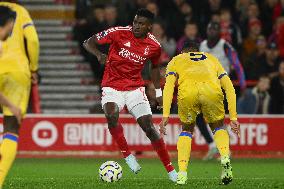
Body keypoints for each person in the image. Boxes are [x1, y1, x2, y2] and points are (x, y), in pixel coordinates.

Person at [83, 8, 177, 181]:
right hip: (112, 86)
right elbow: (88, 42)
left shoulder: (154, 46)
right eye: (135, 22)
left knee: (149, 127)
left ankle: (171, 170)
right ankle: (127, 156)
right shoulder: (118, 33)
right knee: (111, 115)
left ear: (149, 27)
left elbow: (154, 68)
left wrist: (158, 93)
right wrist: (98, 55)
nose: (136, 26)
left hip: (135, 89)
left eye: (141, 24)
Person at [159, 40, 240, 185]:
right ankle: (225, 158)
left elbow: (169, 86)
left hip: (188, 93)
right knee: (218, 126)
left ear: (183, 52)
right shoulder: (211, 58)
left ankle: (182, 173)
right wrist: (233, 117)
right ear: (197, 50)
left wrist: (166, 115)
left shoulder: (176, 59)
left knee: (187, 130)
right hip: (211, 92)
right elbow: (229, 87)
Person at [0, 2, 39, 187]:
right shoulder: (19, 11)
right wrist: (33, 68)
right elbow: (32, 40)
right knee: (11, 128)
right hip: (17, 69)